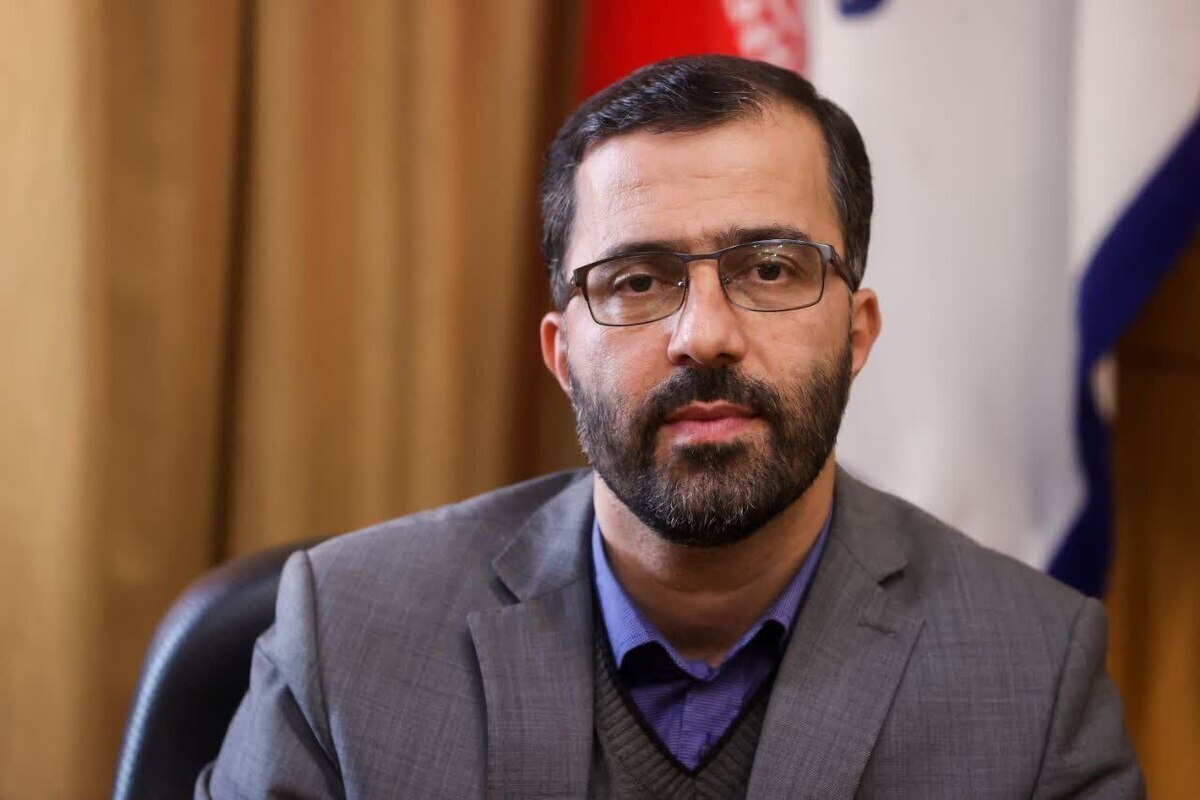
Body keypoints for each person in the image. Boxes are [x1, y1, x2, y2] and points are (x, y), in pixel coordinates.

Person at [198, 55, 1143, 799]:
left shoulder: (1033, 673)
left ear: (856, 334)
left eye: (770, 269)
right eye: (639, 280)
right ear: (562, 354)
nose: (704, 336)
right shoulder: (349, 632)